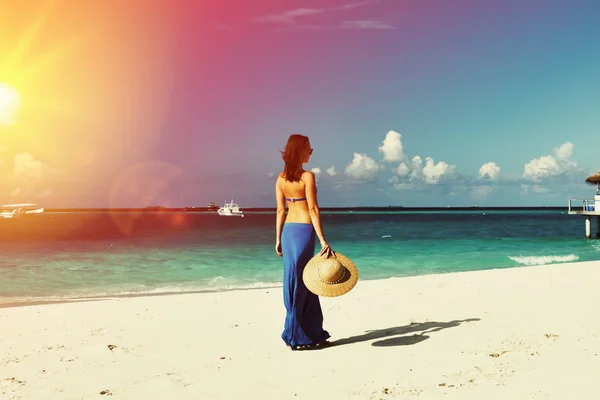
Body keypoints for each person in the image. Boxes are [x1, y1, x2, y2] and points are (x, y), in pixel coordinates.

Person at [275, 134, 332, 350]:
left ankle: (309, 333)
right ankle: (299, 335)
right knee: (304, 281)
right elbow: (313, 209)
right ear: (299, 151)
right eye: (309, 148)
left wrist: (278, 238)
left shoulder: (280, 179)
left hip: (289, 231)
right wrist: (323, 240)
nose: (311, 152)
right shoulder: (308, 177)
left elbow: (281, 211)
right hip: (305, 231)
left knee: (295, 280)